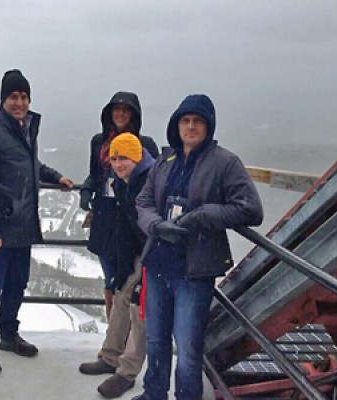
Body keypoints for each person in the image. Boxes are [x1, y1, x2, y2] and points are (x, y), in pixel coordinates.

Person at [133, 94, 263, 400]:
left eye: (198, 121)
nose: (191, 127)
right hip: (159, 264)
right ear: (176, 125)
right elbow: (144, 202)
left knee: (188, 347)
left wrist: (205, 215)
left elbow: (251, 210)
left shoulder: (225, 163)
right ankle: (154, 393)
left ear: (208, 126)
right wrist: (155, 225)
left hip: (194, 271)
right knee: (155, 340)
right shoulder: (165, 162)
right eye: (186, 120)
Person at [0, 69, 73, 374]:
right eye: (14, 96)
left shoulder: (24, 129)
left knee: (17, 284)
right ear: (3, 99)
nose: (20, 102)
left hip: (22, 226)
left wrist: (55, 177)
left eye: (24, 97)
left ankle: (9, 335)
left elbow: (29, 163)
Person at [80, 133, 155, 398]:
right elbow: (127, 228)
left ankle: (127, 372)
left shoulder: (150, 181)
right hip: (138, 251)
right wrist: (123, 268)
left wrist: (146, 270)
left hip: (157, 254)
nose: (118, 163)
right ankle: (110, 357)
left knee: (140, 309)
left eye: (123, 158)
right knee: (121, 295)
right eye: (114, 158)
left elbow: (152, 228)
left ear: (136, 157)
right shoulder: (125, 182)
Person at [80, 92, 158, 320]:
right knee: (109, 279)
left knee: (130, 279)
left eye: (126, 110)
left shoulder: (145, 145)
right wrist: (86, 190)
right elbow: (95, 175)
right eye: (116, 109)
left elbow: (153, 182)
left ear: (134, 115)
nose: (121, 114)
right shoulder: (99, 143)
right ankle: (113, 334)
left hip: (130, 221)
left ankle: (128, 338)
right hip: (104, 219)